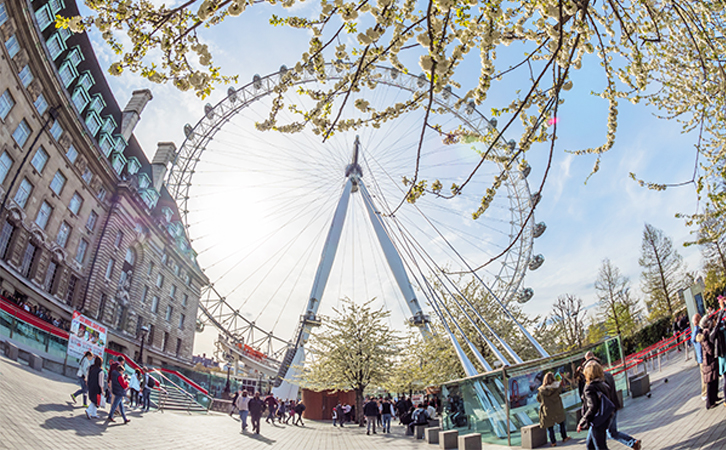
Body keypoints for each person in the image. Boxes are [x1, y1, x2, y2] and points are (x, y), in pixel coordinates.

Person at [577, 362, 612, 450]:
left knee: (600, 447)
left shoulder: (589, 387)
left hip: (596, 420)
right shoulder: (602, 383)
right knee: (591, 445)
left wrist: (582, 421)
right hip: (604, 418)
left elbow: (592, 407)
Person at [537, 372, 570, 447]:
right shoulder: (557, 387)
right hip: (557, 407)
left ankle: (553, 442)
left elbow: (539, 399)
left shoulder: (541, 390)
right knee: (561, 422)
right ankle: (564, 437)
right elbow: (561, 390)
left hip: (547, 409)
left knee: (550, 426)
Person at [697, 314, 720, 409]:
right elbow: (709, 350)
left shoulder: (705, 336)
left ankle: (714, 397)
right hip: (708, 362)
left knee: (714, 380)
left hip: (711, 362)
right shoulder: (704, 338)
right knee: (710, 382)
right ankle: (710, 402)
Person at [106, 360, 130, 424]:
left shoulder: (114, 375)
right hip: (119, 392)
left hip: (116, 390)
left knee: (121, 406)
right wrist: (126, 381)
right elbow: (124, 385)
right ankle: (110, 416)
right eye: (122, 371)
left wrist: (124, 378)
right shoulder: (119, 376)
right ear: (120, 370)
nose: (123, 373)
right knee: (115, 405)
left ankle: (125, 418)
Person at [692, 312, 706, 400]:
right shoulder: (696, 330)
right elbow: (694, 339)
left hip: (702, 356)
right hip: (702, 357)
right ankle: (704, 393)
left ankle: (707, 392)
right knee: (704, 376)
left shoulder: (697, 330)